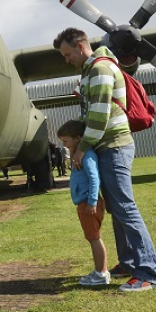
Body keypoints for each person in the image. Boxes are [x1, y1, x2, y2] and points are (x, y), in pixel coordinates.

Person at [53, 27, 156, 292]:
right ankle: (128, 263)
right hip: (107, 148)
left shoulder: (100, 70)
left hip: (114, 147)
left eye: (67, 54)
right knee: (117, 210)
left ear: (80, 46)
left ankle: (148, 272)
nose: (67, 59)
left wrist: (81, 149)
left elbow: (100, 116)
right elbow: (93, 114)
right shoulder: (91, 72)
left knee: (125, 208)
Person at [58, 119, 109, 286]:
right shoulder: (78, 154)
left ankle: (101, 274)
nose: (64, 145)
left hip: (88, 204)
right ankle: (99, 271)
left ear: (78, 138)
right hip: (84, 203)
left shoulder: (87, 156)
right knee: (92, 237)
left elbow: (95, 179)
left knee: (94, 238)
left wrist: (92, 202)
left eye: (66, 141)